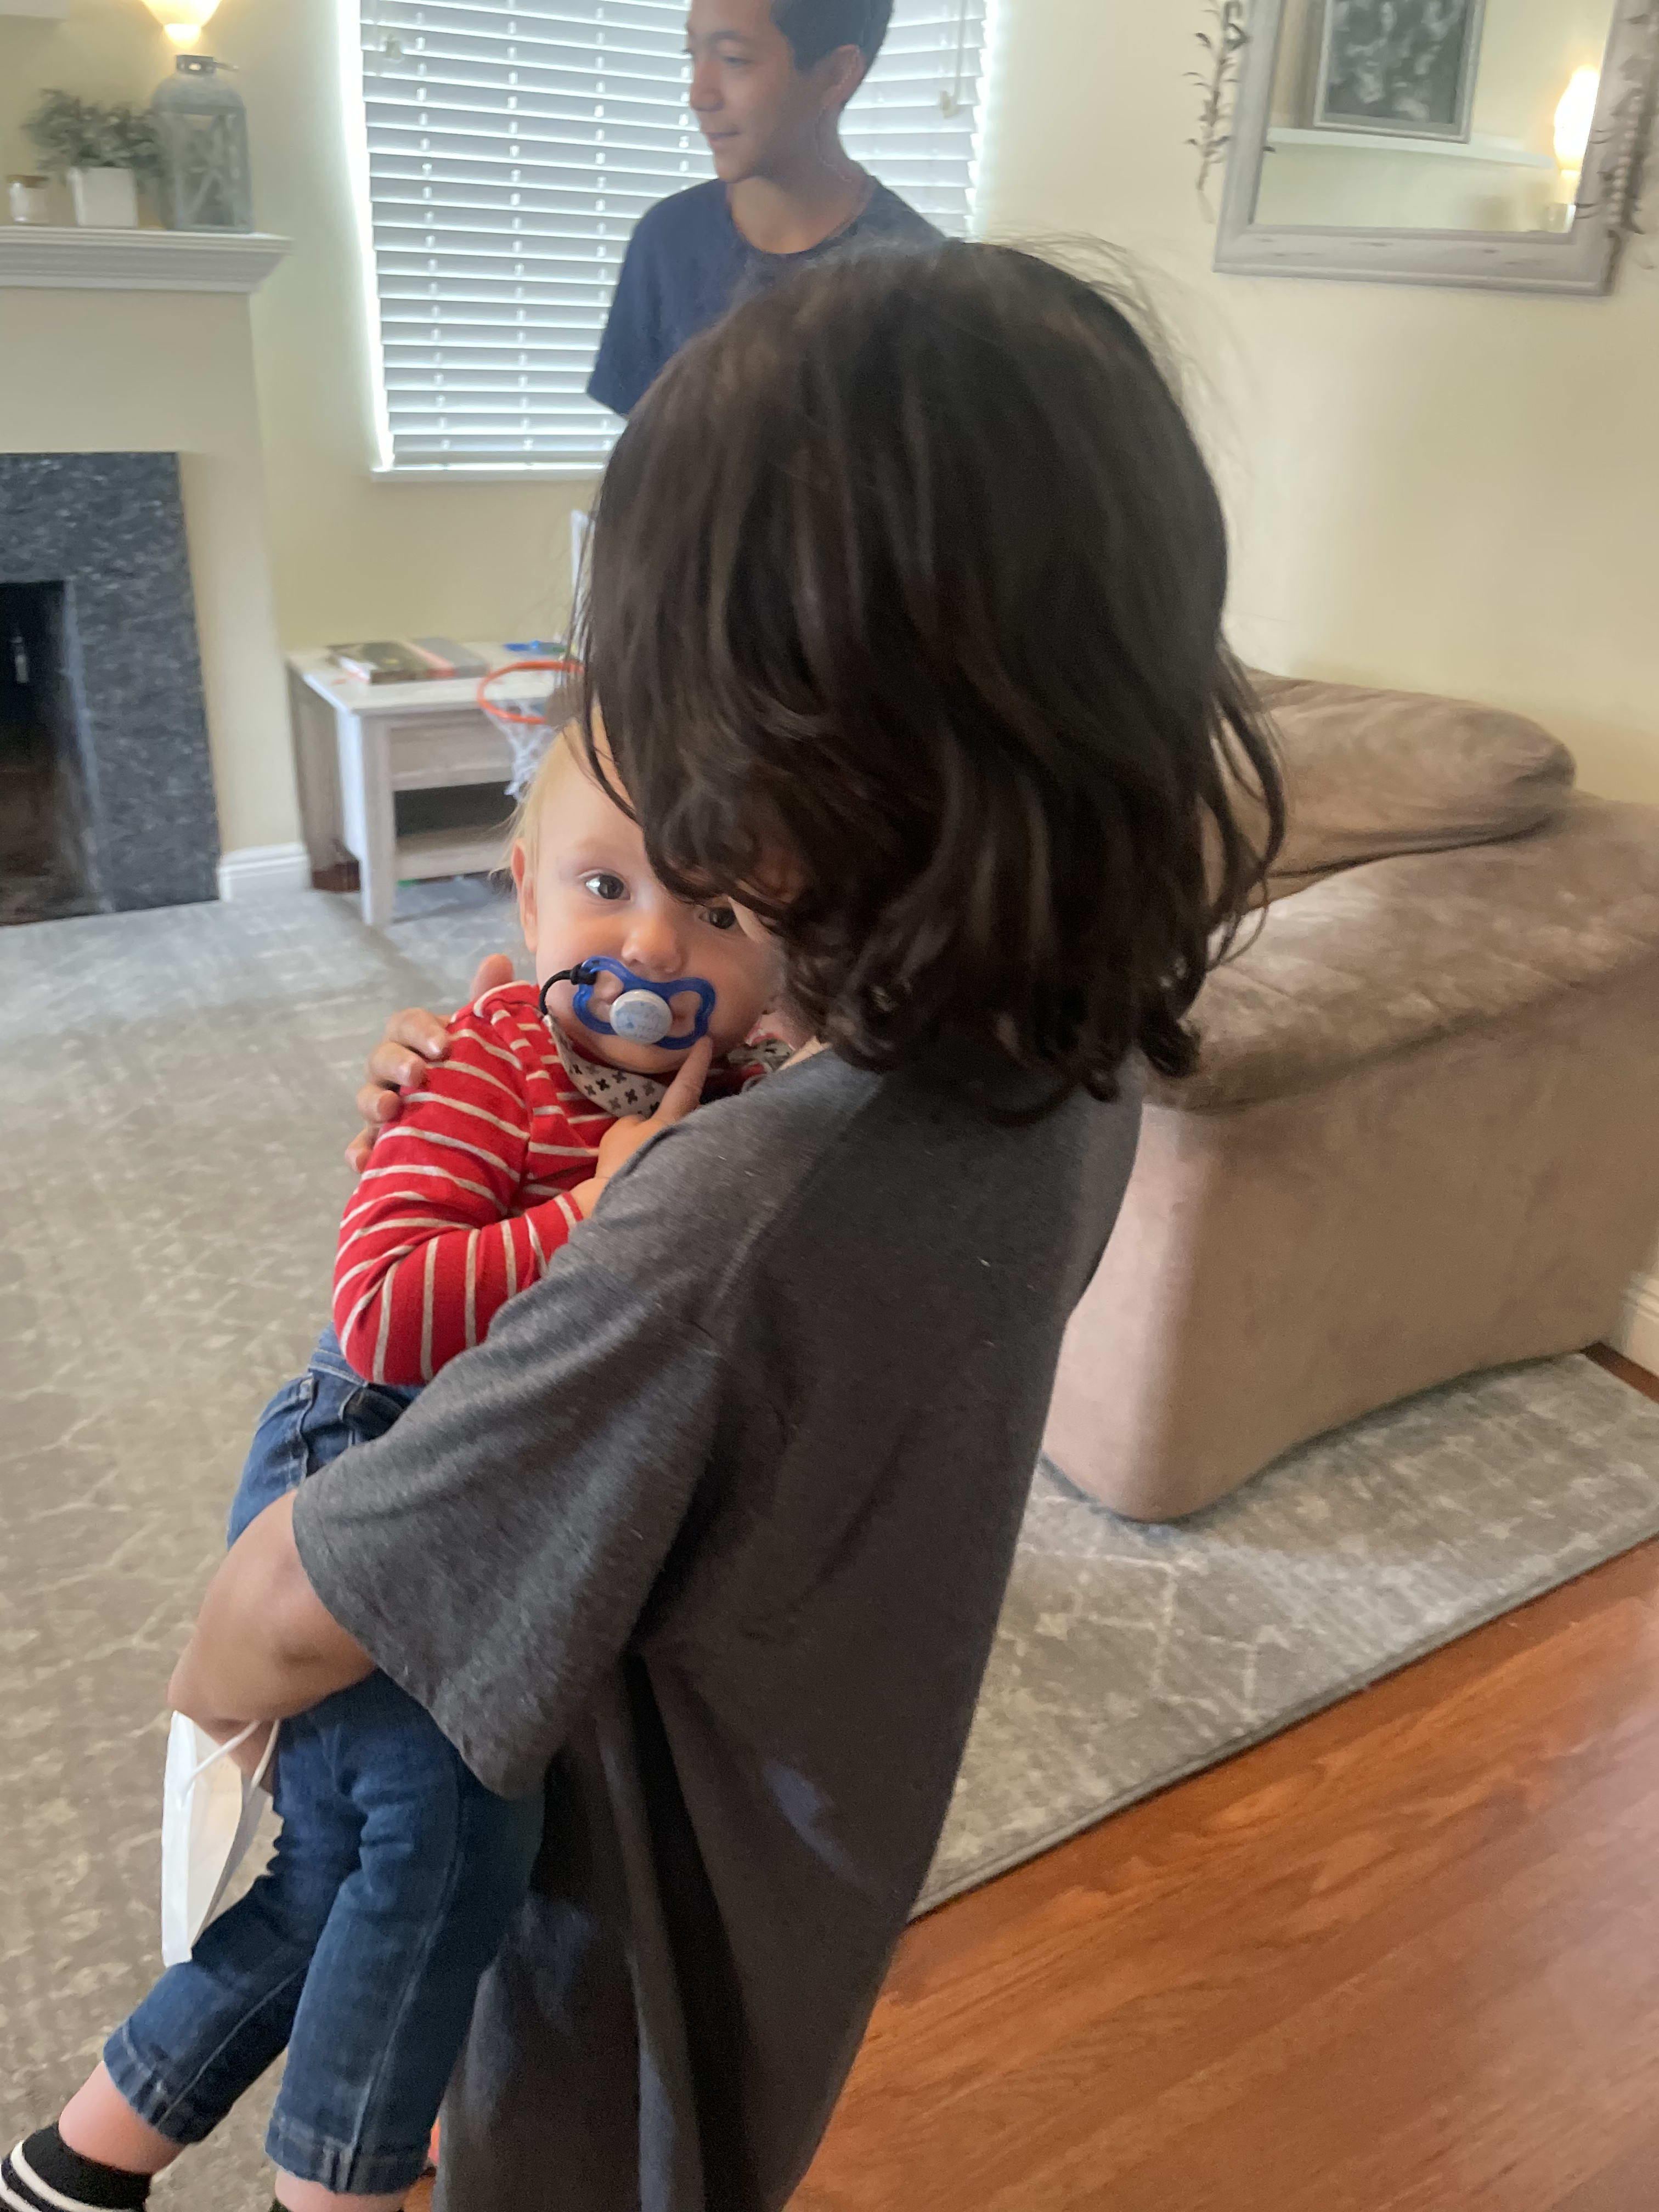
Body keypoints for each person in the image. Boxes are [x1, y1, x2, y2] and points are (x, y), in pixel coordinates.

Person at [12, 241, 1283, 2212]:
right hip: (811, 1858)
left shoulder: (721, 1230)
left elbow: (278, 1612)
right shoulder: (1079, 1055)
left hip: (612, 2002)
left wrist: (217, 1681)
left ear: (824, 740)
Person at [2, 741, 783, 2212]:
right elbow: (382, 1311)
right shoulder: (491, 1061)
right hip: (380, 1464)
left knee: (333, 1871)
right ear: (527, 896)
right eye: (605, 886)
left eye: (724, 913)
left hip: (522, 1498)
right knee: (451, 1831)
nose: (652, 947)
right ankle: (337, 2188)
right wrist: (596, 1212)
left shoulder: (752, 1092)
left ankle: (73, 2166)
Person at [587, 0, 940, 417]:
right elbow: (644, 439)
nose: (699, 96)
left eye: (733, 59)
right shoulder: (667, 239)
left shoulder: (923, 283)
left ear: (835, 74)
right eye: (692, 55)